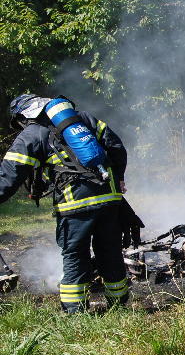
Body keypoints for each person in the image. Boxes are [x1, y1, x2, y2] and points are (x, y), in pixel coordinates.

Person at [0, 94, 130, 313]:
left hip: (74, 204)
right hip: (109, 198)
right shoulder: (84, 119)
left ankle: (75, 312)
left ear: (25, 115)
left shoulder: (32, 134)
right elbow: (116, 146)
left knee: (75, 256)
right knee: (110, 252)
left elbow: (9, 176)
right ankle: (119, 306)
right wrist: (119, 176)